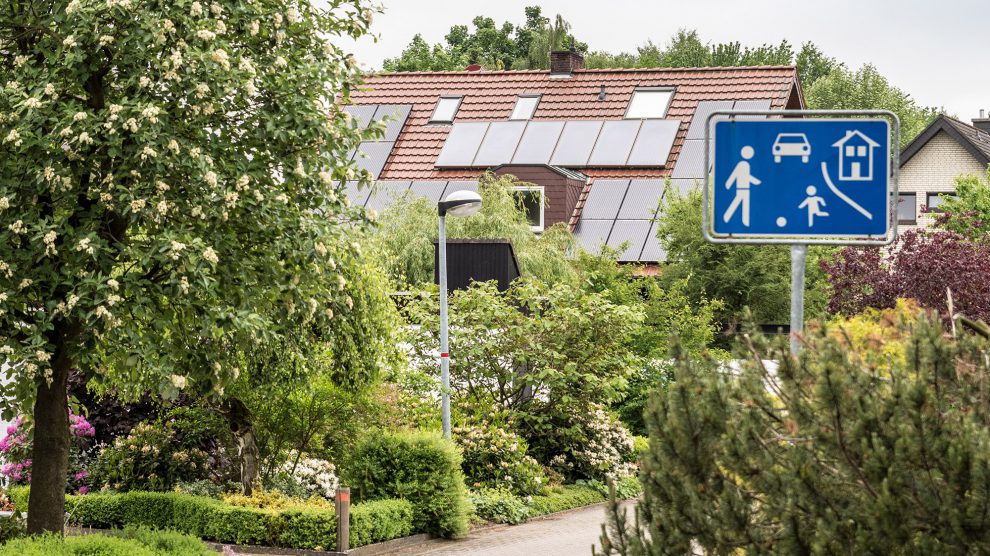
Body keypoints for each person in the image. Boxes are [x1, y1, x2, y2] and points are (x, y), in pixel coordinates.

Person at [723, 146, 760, 226]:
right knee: (738, 202)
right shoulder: (743, 164)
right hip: (741, 188)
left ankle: (745, 221)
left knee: (744, 203)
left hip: (746, 188)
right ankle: (727, 216)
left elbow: (736, 175)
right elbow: (737, 175)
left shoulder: (746, 164)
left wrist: (728, 184)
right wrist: (756, 182)